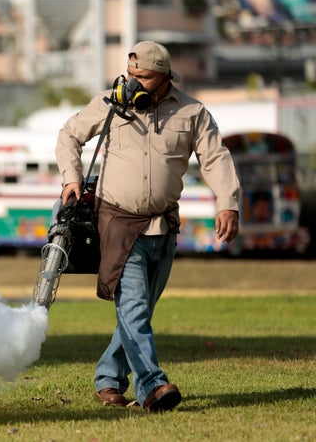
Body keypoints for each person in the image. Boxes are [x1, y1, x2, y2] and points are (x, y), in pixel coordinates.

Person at [55, 41, 240, 412]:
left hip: (164, 228)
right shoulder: (109, 103)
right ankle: (153, 387)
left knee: (138, 312)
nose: (134, 81)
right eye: (131, 73)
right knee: (135, 308)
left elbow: (216, 158)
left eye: (144, 76)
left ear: (163, 78)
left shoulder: (193, 112)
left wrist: (228, 203)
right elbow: (69, 135)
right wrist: (70, 178)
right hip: (118, 223)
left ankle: (108, 378)